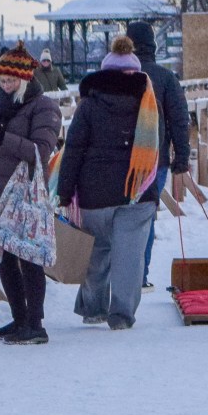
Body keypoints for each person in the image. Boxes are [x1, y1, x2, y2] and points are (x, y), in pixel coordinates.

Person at [56, 34, 162, 330]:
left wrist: (64, 193)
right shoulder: (148, 104)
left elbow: (73, 150)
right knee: (130, 256)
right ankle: (121, 315)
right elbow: (157, 148)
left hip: (94, 192)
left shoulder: (88, 106)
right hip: (137, 193)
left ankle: (94, 308)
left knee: (96, 251)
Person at [0, 41, 62, 344]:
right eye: (2, 81)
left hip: (23, 194)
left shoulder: (44, 107)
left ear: (23, 79)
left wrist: (2, 137)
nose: (5, 86)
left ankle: (35, 324)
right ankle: (19, 318)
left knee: (28, 256)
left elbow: (40, 151)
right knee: (4, 257)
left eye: (10, 81)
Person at [128, 19, 191, 289]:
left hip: (122, 160)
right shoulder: (166, 79)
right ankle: (140, 275)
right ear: (153, 46)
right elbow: (179, 120)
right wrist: (182, 160)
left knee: (123, 215)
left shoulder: (119, 76)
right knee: (145, 214)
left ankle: (123, 274)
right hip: (157, 159)